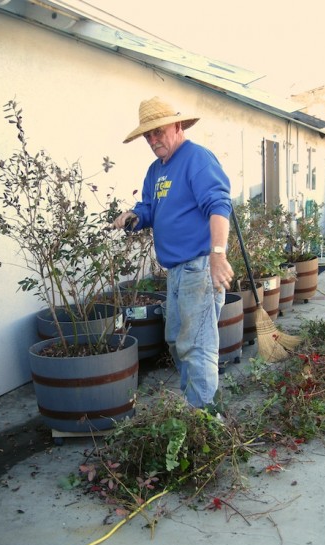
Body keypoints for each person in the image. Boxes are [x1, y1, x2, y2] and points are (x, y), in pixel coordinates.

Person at [113, 96, 234, 410]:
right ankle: (199, 403)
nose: (154, 140)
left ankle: (206, 418)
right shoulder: (156, 170)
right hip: (176, 272)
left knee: (197, 346)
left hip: (199, 267)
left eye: (159, 131)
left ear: (178, 126)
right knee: (176, 341)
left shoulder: (197, 159)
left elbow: (219, 207)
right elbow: (150, 208)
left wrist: (217, 255)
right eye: (148, 135)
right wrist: (134, 217)